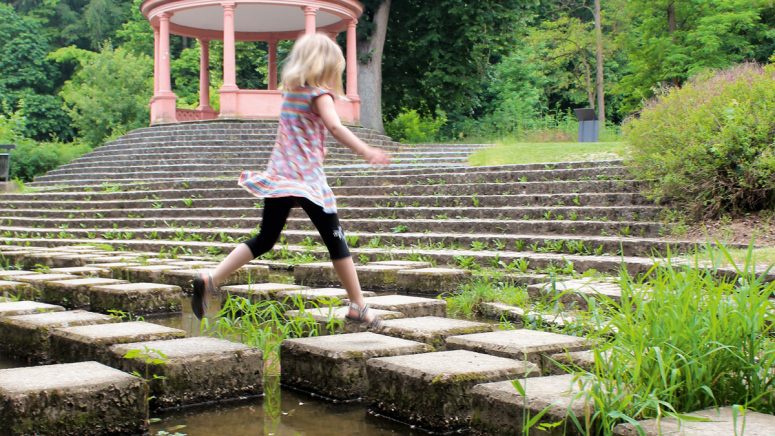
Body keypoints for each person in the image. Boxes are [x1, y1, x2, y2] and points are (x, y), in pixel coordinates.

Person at [191, 33, 390, 329]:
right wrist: (365, 150)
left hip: (280, 177)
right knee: (336, 241)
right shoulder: (320, 94)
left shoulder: (291, 92)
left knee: (265, 238)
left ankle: (212, 277)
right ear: (325, 66)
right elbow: (334, 126)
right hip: (307, 181)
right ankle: (358, 306)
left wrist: (316, 146)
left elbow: (301, 133)